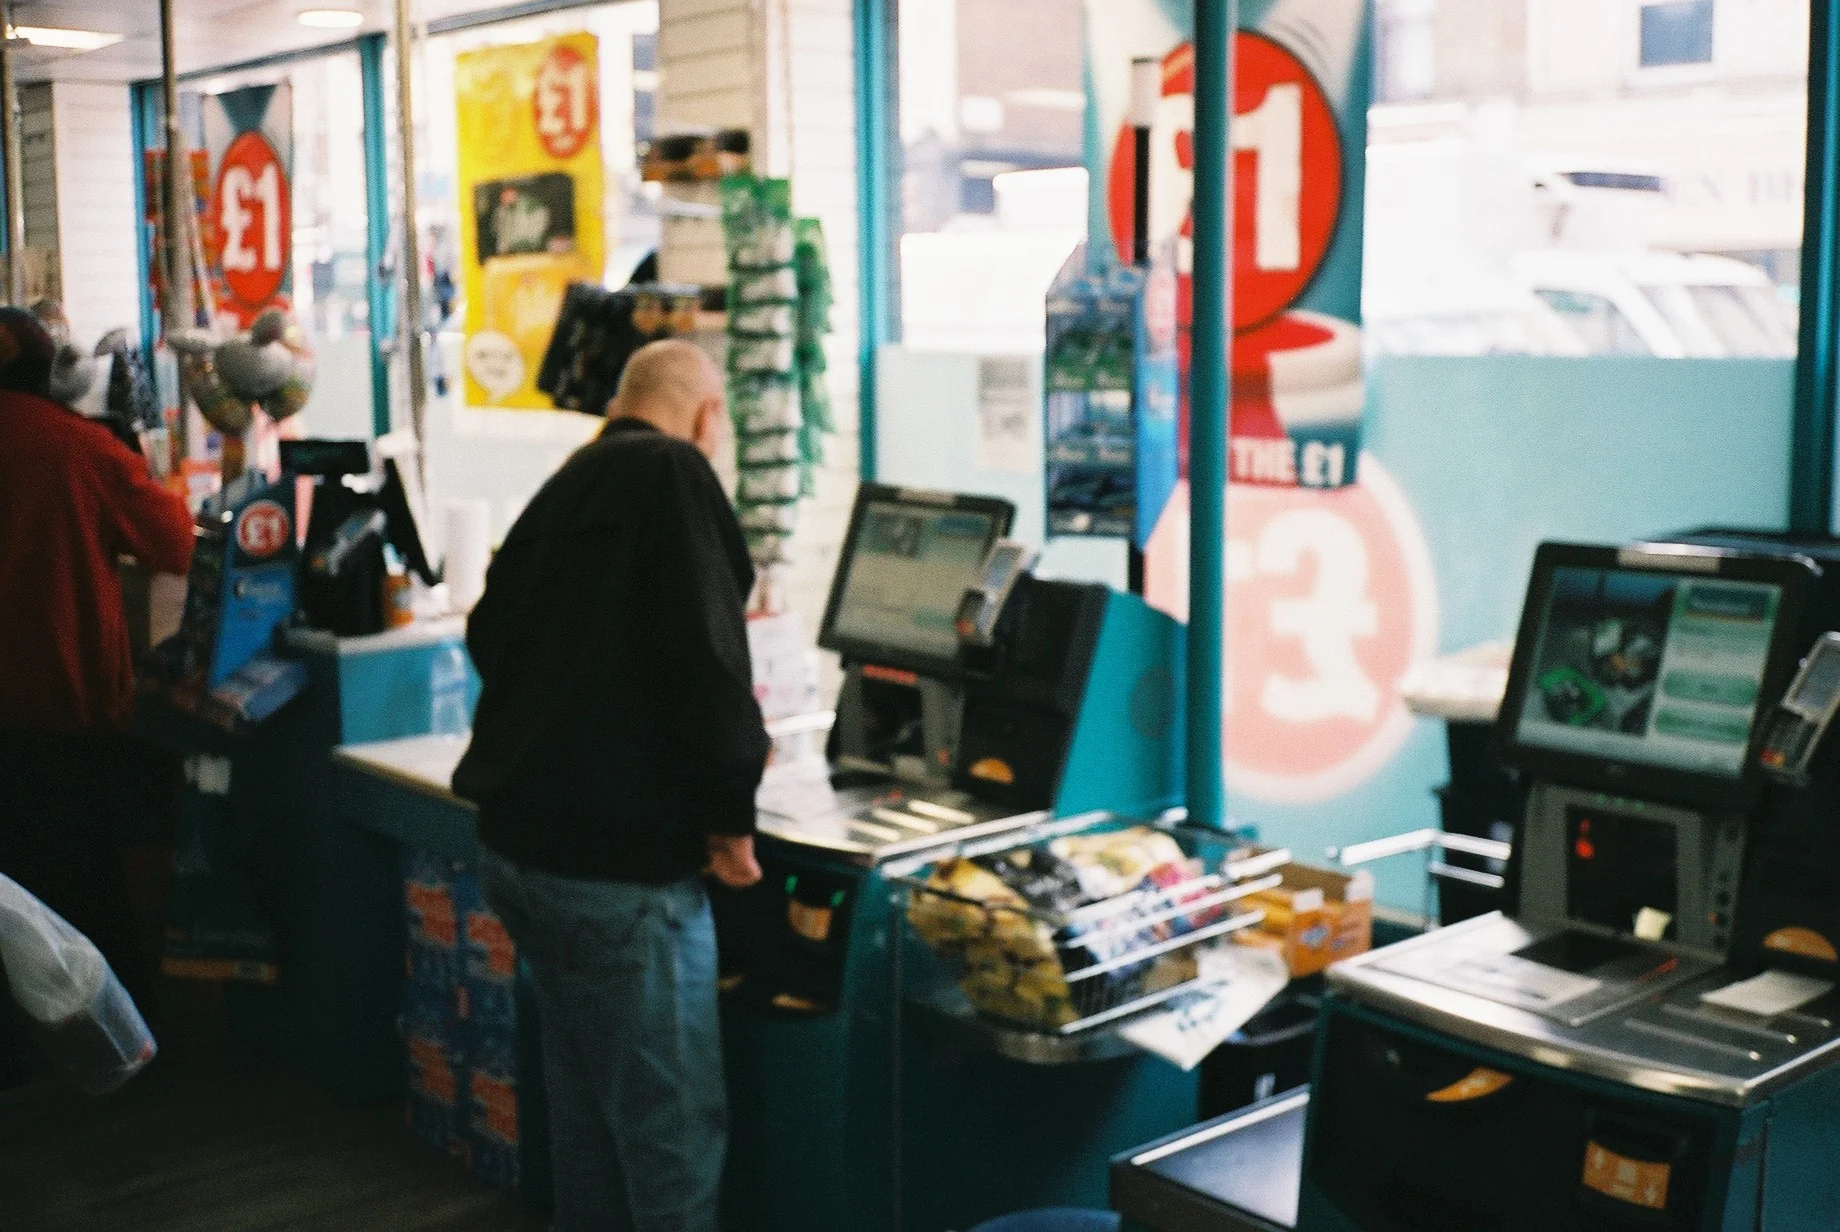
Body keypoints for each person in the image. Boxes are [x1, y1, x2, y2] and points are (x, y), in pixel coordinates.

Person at [453, 339, 768, 1231]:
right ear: (708, 419)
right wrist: (729, 818)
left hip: (522, 853)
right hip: (621, 876)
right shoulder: (675, 473)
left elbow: (488, 630)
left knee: (588, 1119)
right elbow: (712, 660)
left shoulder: (570, 481)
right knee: (671, 1140)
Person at [0, 306, 194, 1081]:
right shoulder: (79, 448)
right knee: (82, 881)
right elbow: (175, 540)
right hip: (63, 708)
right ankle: (104, 1050)